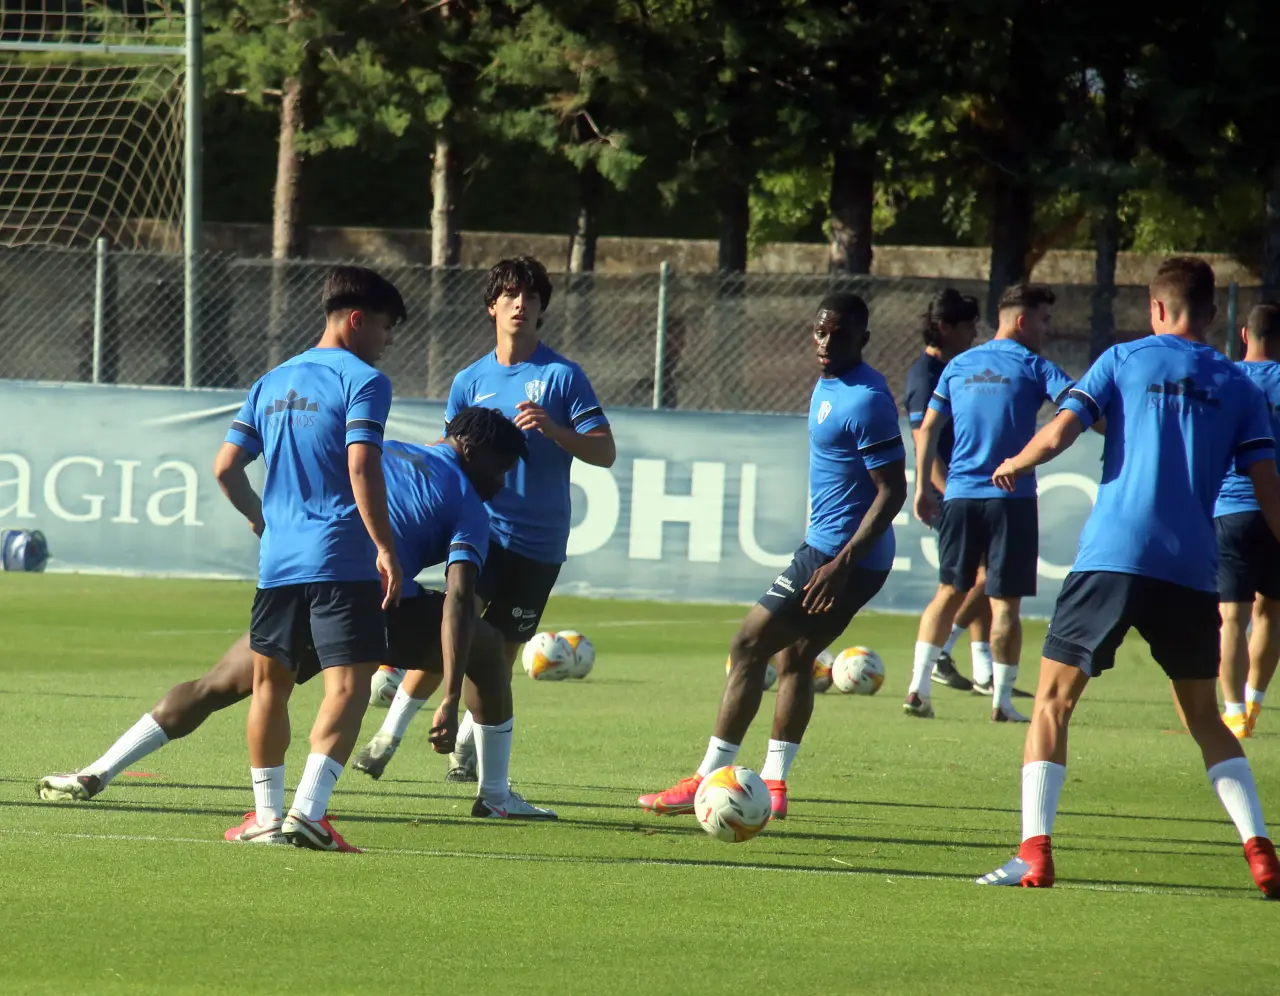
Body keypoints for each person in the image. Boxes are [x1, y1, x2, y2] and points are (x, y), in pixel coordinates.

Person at [37, 410, 557, 827]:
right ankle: (492, 796)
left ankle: (95, 772)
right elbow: (459, 602)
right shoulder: (468, 502)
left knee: (214, 686)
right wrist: (447, 697)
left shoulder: (382, 452)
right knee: (486, 645)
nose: (501, 483)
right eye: (502, 468)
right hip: (362, 600)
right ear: (472, 449)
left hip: (300, 581)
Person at [976, 256, 1280, 896]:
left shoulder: (1123, 358)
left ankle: (1034, 855)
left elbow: (1059, 434)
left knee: (1053, 704)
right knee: (1206, 718)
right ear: (1211, 313)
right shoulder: (1240, 386)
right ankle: (1260, 852)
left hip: (1112, 557)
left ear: (1157, 308)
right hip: (1191, 569)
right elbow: (1267, 487)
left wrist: (1015, 462)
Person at [638, 292, 906, 820]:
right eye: (820, 331)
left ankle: (706, 778)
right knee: (796, 657)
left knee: (747, 645)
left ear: (863, 339)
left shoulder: (867, 400)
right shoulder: (830, 383)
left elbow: (892, 491)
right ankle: (776, 784)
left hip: (839, 556)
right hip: (840, 552)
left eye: (839, 334)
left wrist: (840, 565)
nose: (825, 342)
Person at [359, 255, 615, 783]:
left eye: (531, 296)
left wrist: (554, 430)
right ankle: (387, 737)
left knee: (500, 653)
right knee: (452, 635)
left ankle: (466, 750)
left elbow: (605, 451)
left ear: (542, 309)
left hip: (540, 543)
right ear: (492, 306)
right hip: (483, 532)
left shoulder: (562, 377)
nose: (521, 304)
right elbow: (451, 449)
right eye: (510, 295)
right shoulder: (469, 380)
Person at [211, 266, 404, 851]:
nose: (387, 341)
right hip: (340, 556)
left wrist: (261, 520)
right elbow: (361, 464)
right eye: (386, 328)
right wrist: (386, 546)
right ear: (356, 320)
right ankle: (309, 814)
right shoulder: (365, 381)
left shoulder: (271, 380)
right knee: (349, 685)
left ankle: (267, 817)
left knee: (270, 686)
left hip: (278, 562)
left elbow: (225, 468)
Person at [907, 283, 1075, 722]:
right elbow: (1078, 408)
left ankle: (918, 688)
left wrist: (922, 487)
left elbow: (927, 429)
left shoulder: (959, 364)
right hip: (1010, 497)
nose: (1047, 329)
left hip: (959, 495)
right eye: (1044, 320)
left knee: (948, 591)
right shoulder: (1036, 366)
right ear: (1021, 321)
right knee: (1005, 604)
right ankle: (1001, 702)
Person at [902, 288, 988, 694]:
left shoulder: (954, 369)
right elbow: (924, 440)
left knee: (980, 577)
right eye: (967, 325)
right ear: (943, 327)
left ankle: (985, 670)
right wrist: (949, 490)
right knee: (985, 577)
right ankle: (941, 650)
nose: (974, 333)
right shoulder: (926, 376)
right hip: (953, 493)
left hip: (964, 487)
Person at [1216, 301, 1280, 738]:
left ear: (1243, 335)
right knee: (1271, 611)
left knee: (1232, 618)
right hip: (1276, 510)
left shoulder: (1225, 377)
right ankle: (1253, 706)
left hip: (1230, 508)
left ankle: (1234, 711)